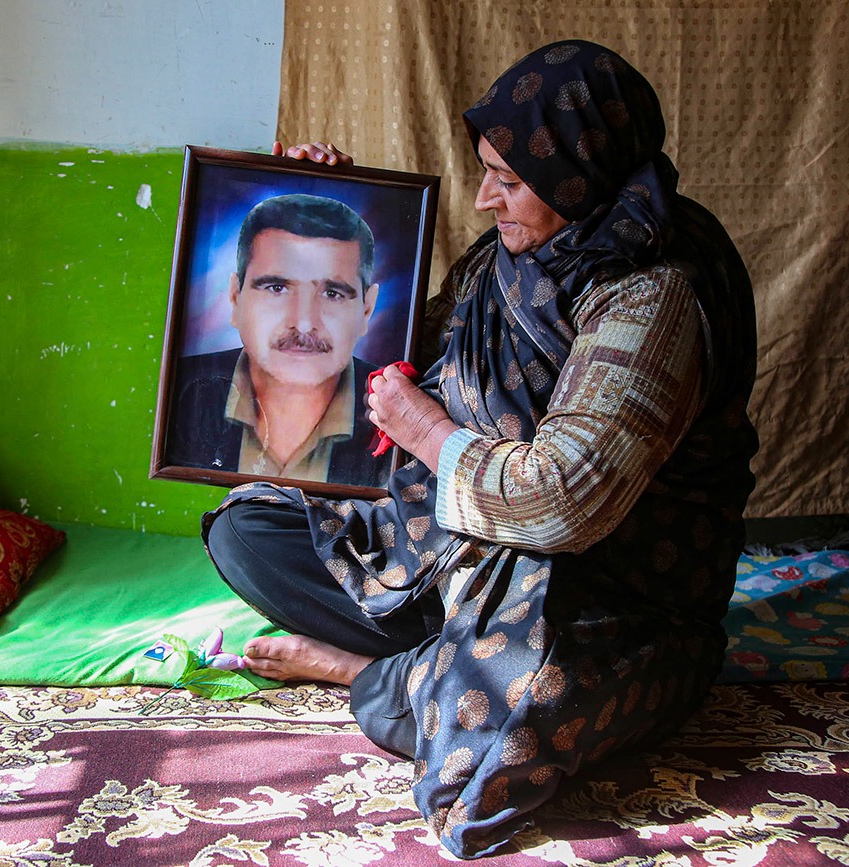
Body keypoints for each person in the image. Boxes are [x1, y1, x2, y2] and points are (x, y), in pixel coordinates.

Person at [202, 39, 759, 859]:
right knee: (247, 529)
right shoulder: (521, 249)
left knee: (517, 706)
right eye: (485, 171)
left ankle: (368, 671)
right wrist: (334, 199)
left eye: (509, 180)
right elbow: (406, 350)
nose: (482, 198)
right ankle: (441, 658)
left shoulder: (654, 291)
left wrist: (428, 431)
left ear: (578, 174)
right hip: (457, 543)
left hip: (598, 580)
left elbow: (562, 502)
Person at [166, 193, 394, 488]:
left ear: (366, 309)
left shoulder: (395, 411)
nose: (304, 322)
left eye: (332, 293)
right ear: (235, 298)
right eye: (277, 288)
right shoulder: (179, 392)